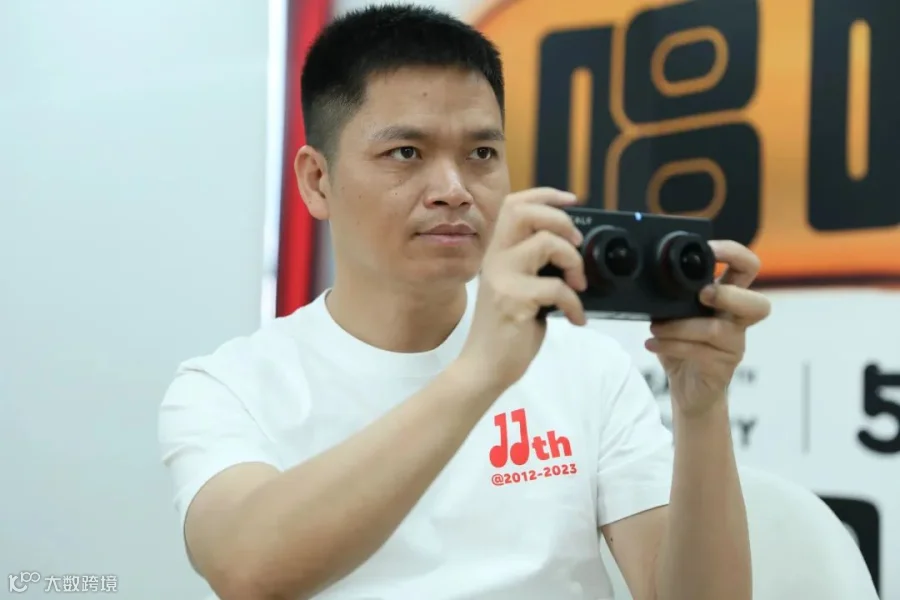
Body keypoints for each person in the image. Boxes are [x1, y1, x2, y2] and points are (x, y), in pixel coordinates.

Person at [158, 5, 770, 600]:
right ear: (318, 181)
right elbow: (248, 571)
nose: (453, 190)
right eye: (406, 153)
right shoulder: (231, 386)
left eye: (481, 154)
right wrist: (479, 371)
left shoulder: (588, 369)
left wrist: (700, 409)